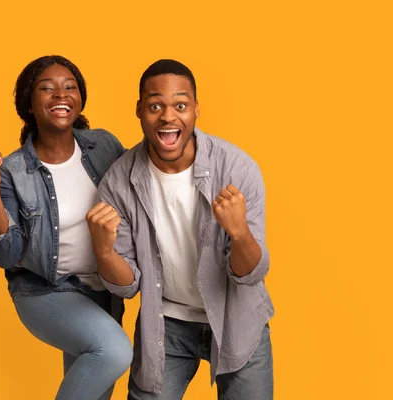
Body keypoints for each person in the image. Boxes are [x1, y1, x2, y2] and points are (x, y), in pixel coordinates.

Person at [86, 59, 274, 399]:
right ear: (140, 110)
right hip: (166, 323)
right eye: (155, 105)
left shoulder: (236, 168)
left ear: (196, 110)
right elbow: (127, 287)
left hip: (237, 318)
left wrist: (240, 232)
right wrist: (103, 251)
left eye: (180, 105)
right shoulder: (118, 181)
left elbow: (250, 275)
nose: (168, 116)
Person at [0, 55, 133, 400]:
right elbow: (6, 253)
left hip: (102, 290)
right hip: (45, 291)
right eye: (47, 89)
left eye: (69, 87)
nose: (61, 95)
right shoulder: (13, 170)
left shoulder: (104, 145)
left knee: (96, 389)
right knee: (115, 351)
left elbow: (137, 189)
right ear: (29, 104)